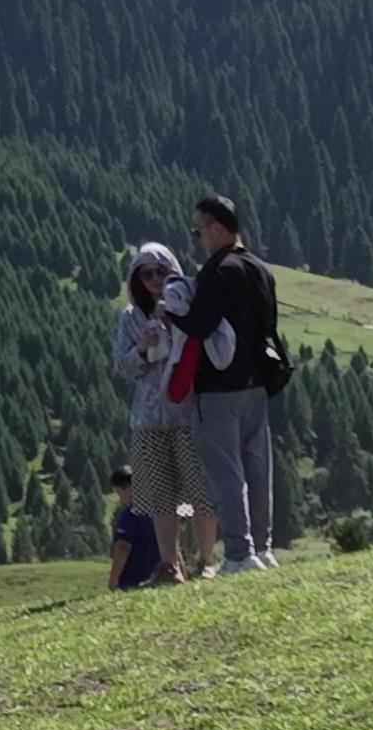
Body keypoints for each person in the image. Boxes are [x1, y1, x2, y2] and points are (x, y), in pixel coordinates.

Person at [175, 194, 287, 571]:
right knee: (258, 469)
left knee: (226, 470)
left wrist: (170, 313)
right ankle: (264, 548)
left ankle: (239, 553)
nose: (199, 236)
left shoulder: (218, 271)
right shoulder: (260, 268)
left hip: (219, 387)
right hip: (256, 382)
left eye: (200, 229)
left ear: (218, 228)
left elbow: (200, 327)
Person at [114, 243, 213, 581]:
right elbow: (122, 366)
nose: (155, 279)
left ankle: (207, 561)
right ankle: (170, 564)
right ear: (136, 279)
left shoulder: (186, 308)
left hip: (188, 413)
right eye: (147, 274)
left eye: (162, 272)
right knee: (160, 497)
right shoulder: (129, 318)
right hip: (148, 418)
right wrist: (140, 350)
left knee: (200, 490)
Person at [105, 463, 174, 591]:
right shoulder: (160, 513)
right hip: (160, 577)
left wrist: (113, 579)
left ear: (126, 488)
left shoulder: (130, 515)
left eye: (118, 492)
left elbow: (123, 547)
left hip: (132, 580)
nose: (120, 499)